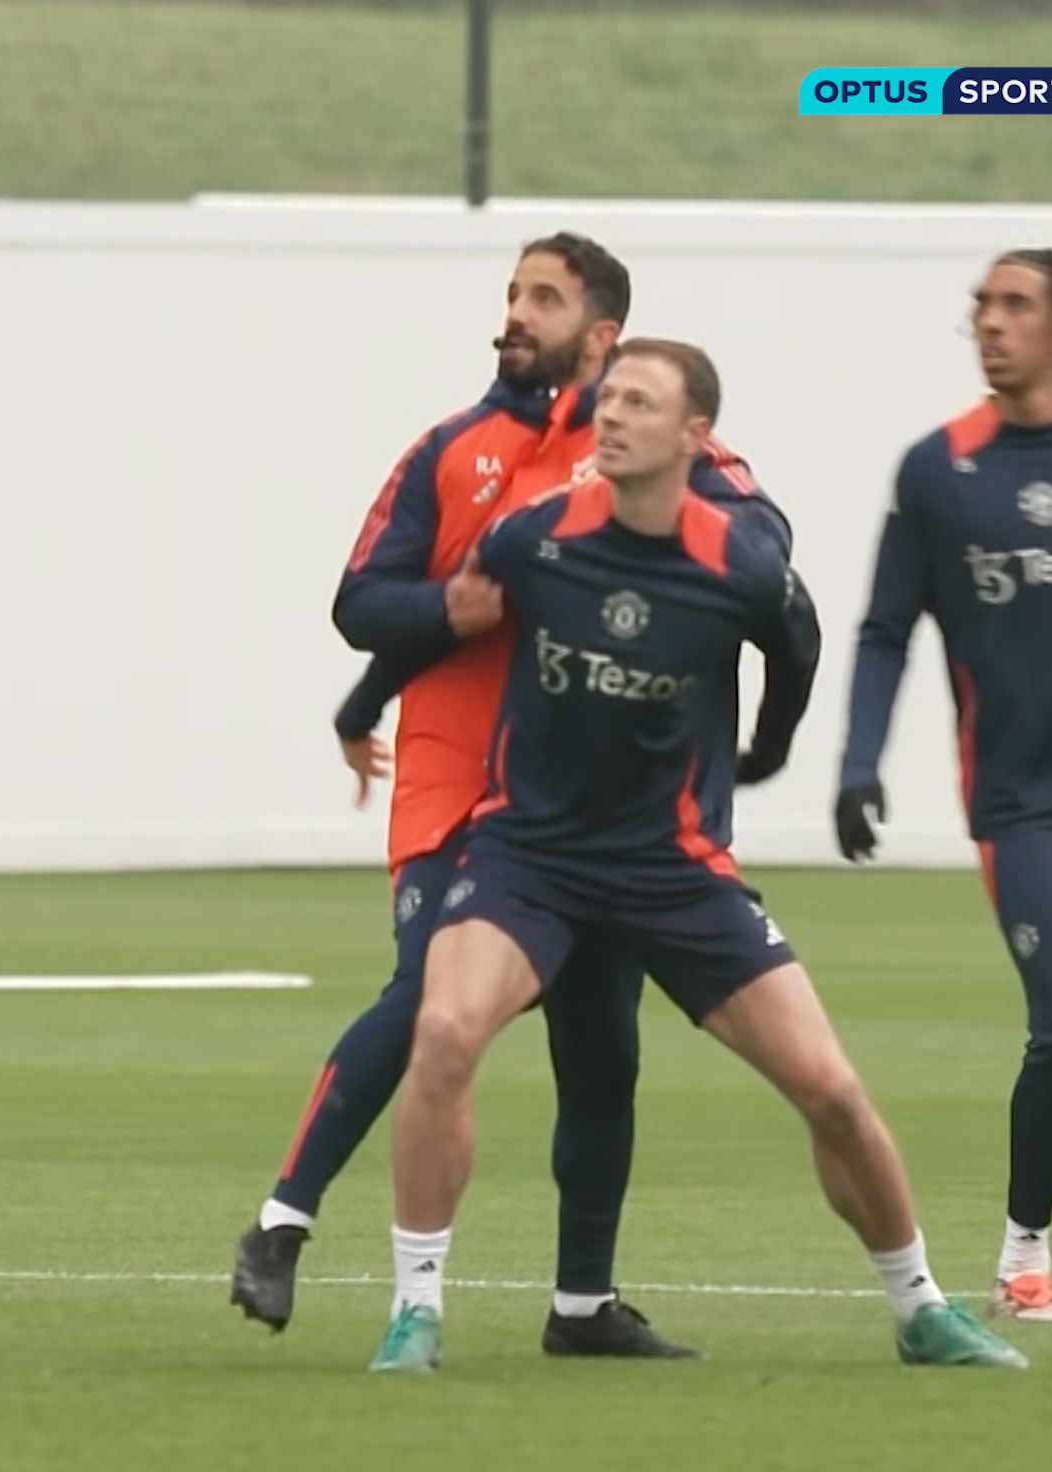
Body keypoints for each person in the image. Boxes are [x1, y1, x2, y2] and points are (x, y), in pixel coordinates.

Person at [367, 336, 1027, 1375]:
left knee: (834, 1092)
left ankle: (921, 1308)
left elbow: (797, 644)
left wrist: (766, 747)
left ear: (695, 434)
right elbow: (443, 626)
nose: (612, 415)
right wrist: (358, 710)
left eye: (639, 401)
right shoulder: (534, 536)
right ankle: (415, 1311)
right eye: (609, 398)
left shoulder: (739, 564)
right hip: (527, 856)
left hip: (670, 870)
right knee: (444, 1034)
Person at [232, 233, 773, 1358]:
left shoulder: (644, 448)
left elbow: (760, 543)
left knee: (602, 1046)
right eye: (513, 293)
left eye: (544, 297)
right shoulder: (451, 449)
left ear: (603, 332)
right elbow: (361, 601)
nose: (516, 313)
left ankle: (581, 1305)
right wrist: (441, 621)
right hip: (452, 773)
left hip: (583, 792)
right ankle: (285, 1216)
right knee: (429, 994)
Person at [834, 248, 1052, 1323]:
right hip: (1024, 807)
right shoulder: (937, 470)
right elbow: (882, 632)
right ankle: (1023, 1253)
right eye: (981, 306)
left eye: (1015, 306)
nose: (990, 322)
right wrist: (859, 760)